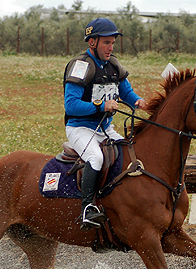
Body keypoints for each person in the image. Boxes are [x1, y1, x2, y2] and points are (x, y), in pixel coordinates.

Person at [64, 18, 147, 230]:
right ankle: (87, 208)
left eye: (112, 43)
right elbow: (71, 105)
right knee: (96, 157)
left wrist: (139, 101)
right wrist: (100, 106)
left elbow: (126, 92)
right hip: (81, 128)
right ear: (92, 42)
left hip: (105, 129)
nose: (110, 48)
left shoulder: (113, 65)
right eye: (106, 43)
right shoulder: (81, 66)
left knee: (131, 154)